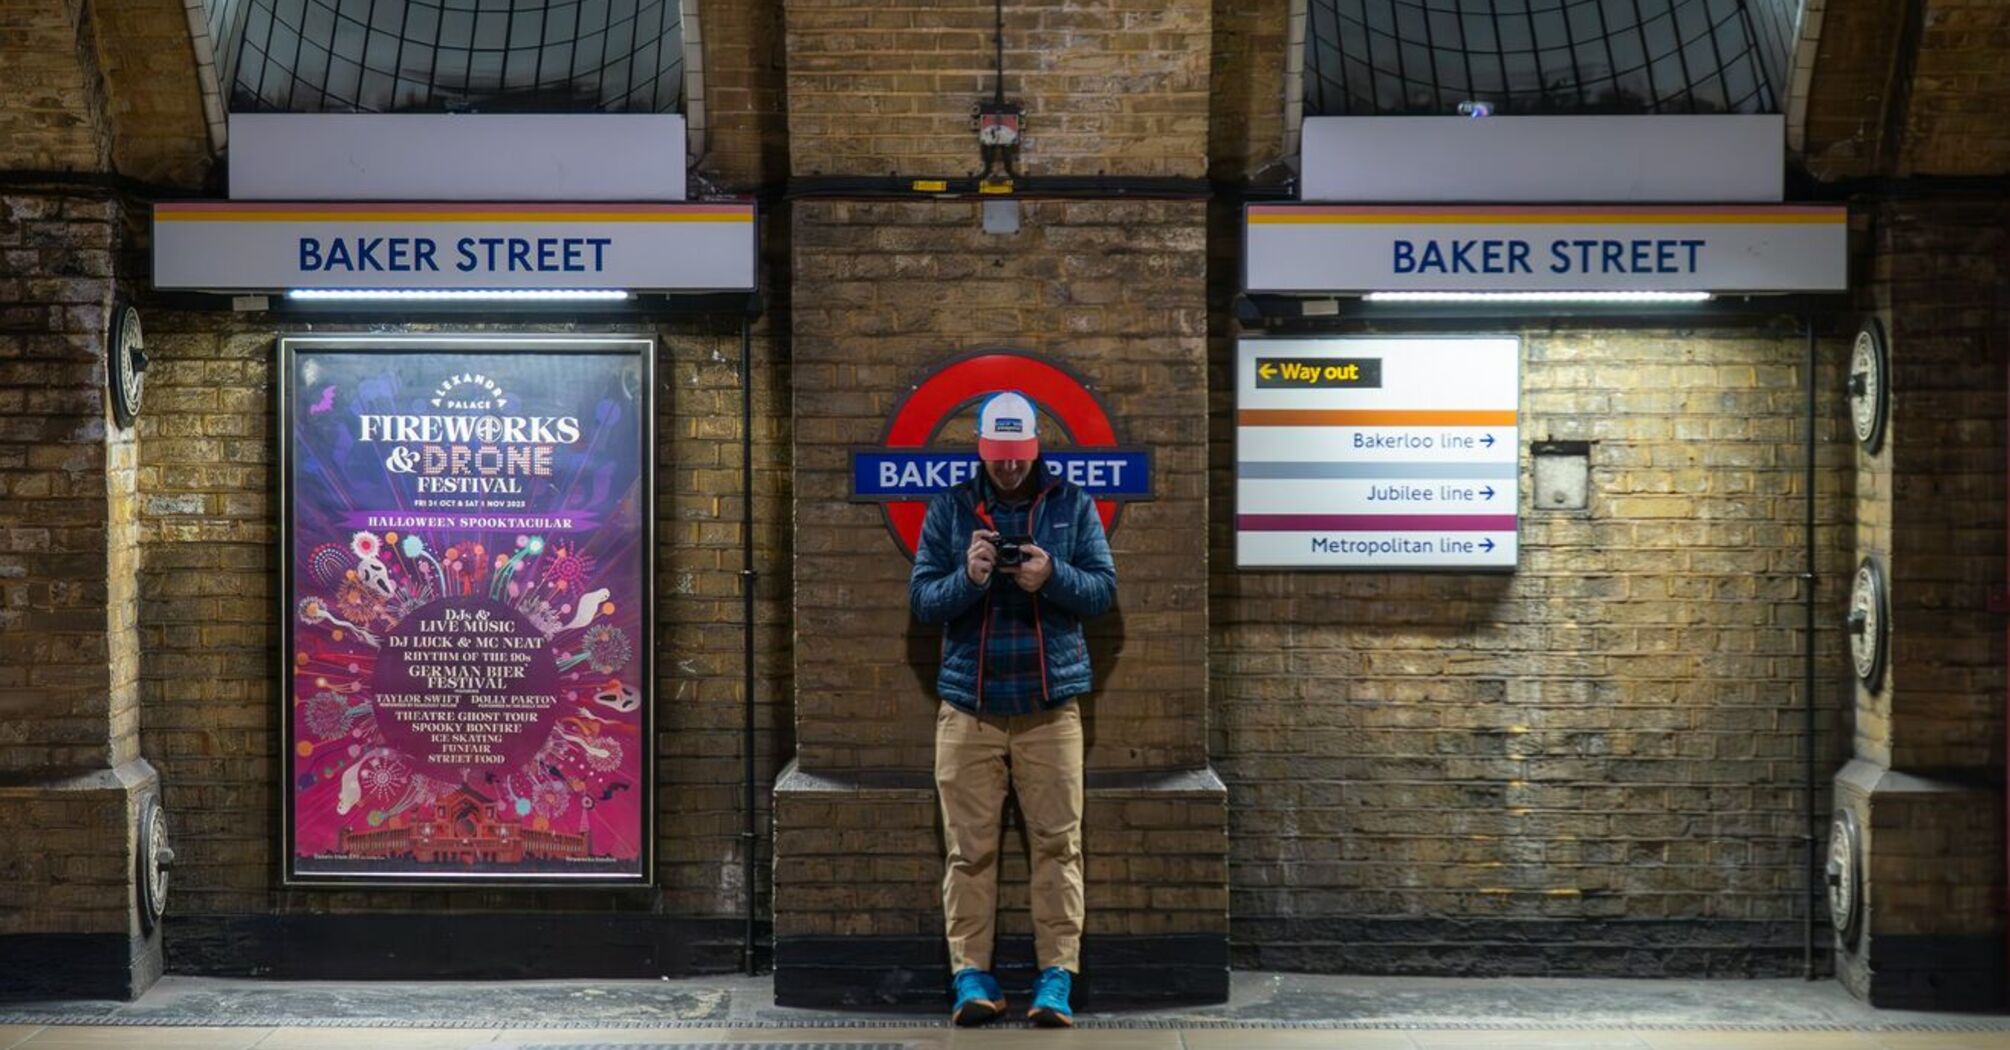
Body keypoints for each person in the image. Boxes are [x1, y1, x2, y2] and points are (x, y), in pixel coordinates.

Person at [908, 390, 1117, 1028]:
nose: (1008, 469)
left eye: (1018, 456)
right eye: (998, 457)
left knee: (1060, 846)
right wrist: (967, 580)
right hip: (967, 708)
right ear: (981, 448)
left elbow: (1103, 593)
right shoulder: (948, 510)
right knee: (968, 852)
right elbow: (922, 601)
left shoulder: (1072, 505)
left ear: (1034, 447)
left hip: (1050, 710)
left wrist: (1052, 576)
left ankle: (1056, 978)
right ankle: (971, 976)